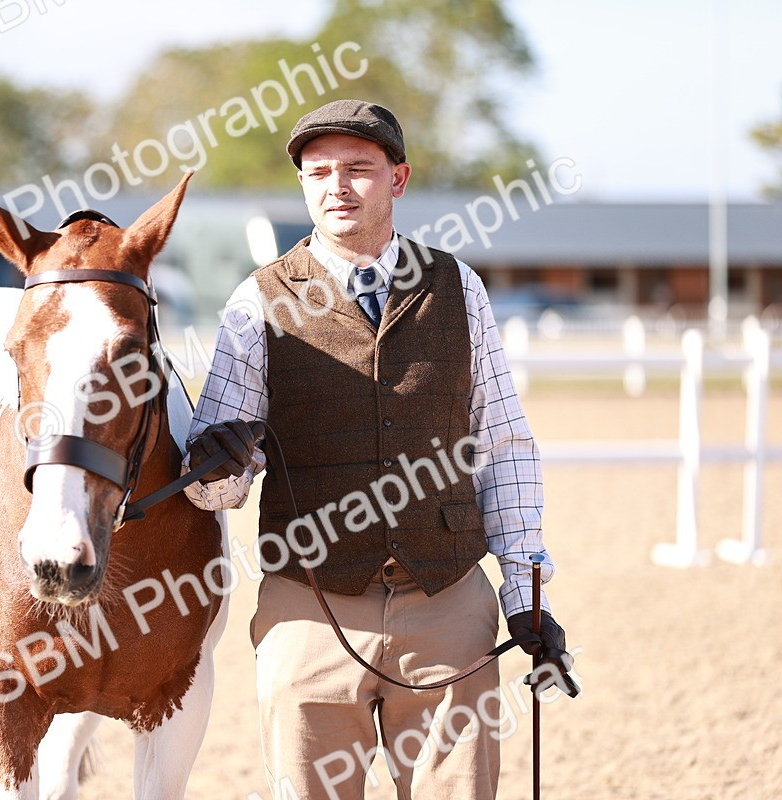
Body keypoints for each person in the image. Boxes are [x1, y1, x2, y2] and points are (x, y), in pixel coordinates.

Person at [182, 99, 577, 800]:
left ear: (398, 178)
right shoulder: (257, 301)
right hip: (309, 610)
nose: (337, 186)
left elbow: (504, 442)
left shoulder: (459, 287)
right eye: (319, 172)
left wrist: (524, 594)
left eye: (358, 170)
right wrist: (216, 464)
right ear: (303, 184)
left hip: (448, 603)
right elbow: (217, 486)